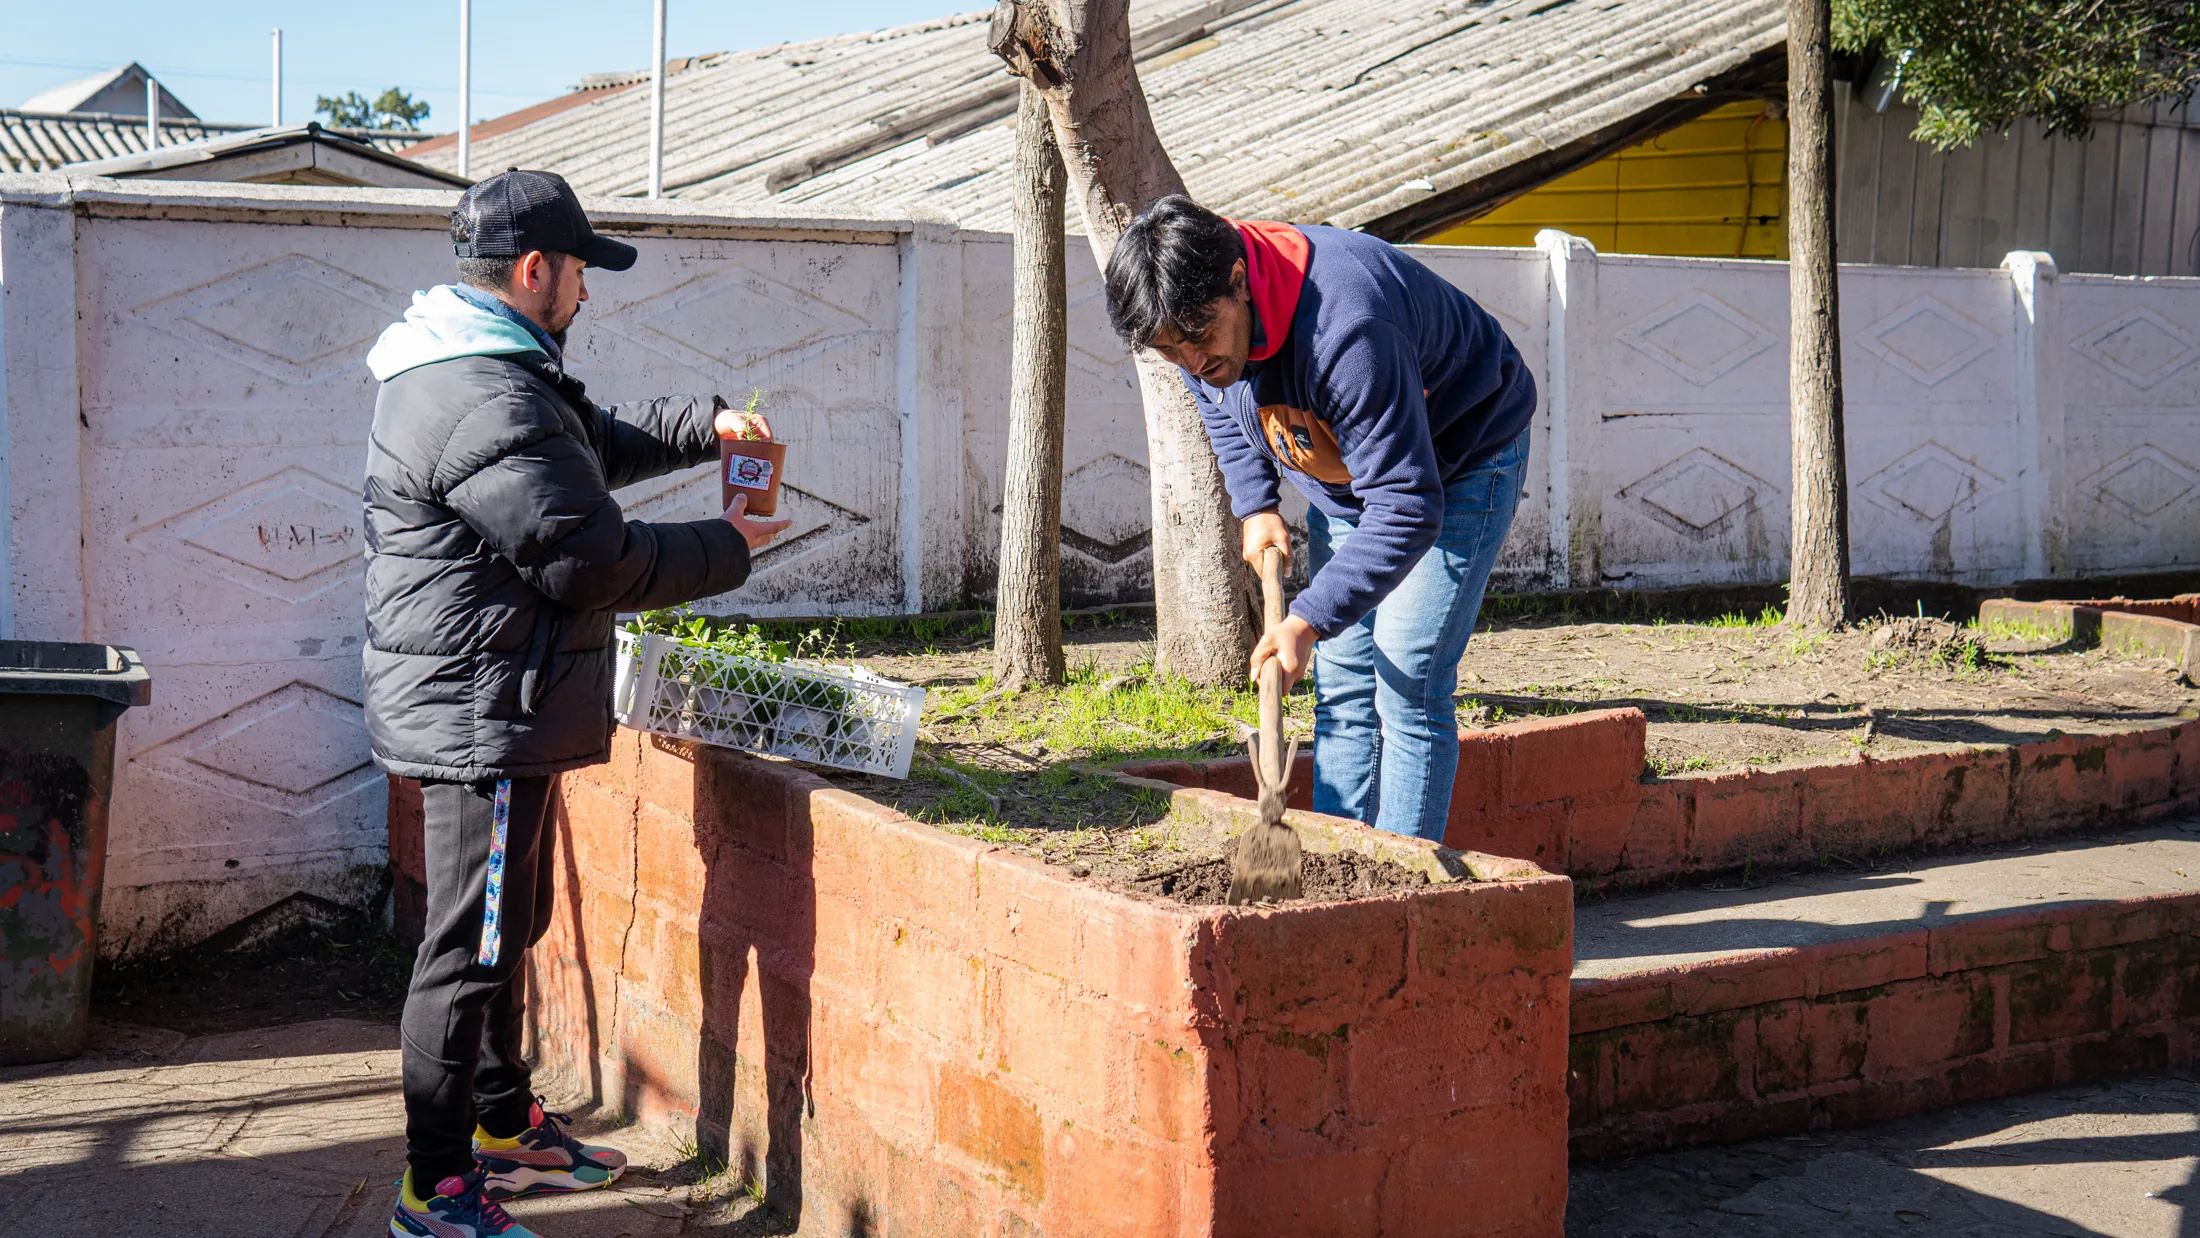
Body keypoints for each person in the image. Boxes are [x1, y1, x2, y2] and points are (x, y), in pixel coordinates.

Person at [362, 169, 790, 1238]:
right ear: (534, 269)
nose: (587, 294)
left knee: (511, 923)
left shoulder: (493, 373)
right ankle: (434, 1187)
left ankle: (502, 1121)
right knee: (467, 947)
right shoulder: (482, 393)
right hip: (481, 708)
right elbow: (584, 560)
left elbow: (586, 447)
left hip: (501, 693)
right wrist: (729, 547)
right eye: (579, 273)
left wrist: (708, 424)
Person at [1103, 195, 1535, 841]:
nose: (1192, 361)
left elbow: (1408, 504)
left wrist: (1307, 617)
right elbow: (1220, 400)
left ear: (1239, 284)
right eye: (1169, 351)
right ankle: (1340, 858)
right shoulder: (1194, 324)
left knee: (1409, 678)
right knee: (1343, 678)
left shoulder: (1347, 327)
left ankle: (1399, 879)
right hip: (1352, 472)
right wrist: (1257, 504)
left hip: (1459, 461)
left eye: (1197, 338)